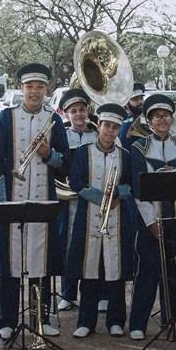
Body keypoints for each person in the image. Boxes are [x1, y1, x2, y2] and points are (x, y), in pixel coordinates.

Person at [0, 63, 70, 350]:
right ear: (21, 89)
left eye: (40, 87)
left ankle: (40, 317)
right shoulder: (7, 117)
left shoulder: (54, 120)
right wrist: (1, 201)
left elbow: (65, 163)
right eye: (29, 87)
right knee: (9, 263)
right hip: (12, 199)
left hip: (43, 199)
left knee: (41, 260)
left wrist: (49, 154)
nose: (34, 91)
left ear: (47, 89)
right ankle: (6, 322)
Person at [66, 103, 138, 337]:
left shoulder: (125, 155)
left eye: (115, 127)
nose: (110, 131)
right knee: (89, 269)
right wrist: (99, 197)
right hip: (88, 216)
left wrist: (117, 194)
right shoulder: (83, 152)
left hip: (117, 217)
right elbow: (75, 181)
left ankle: (116, 321)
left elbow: (131, 184)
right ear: (98, 126)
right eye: (107, 126)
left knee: (115, 270)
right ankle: (85, 321)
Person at [128, 94, 176, 341]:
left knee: (173, 273)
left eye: (165, 116)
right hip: (149, 221)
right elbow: (138, 189)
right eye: (156, 117)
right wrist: (151, 222)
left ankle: (170, 317)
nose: (161, 120)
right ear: (149, 121)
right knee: (147, 271)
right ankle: (138, 324)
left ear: (171, 119)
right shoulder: (139, 148)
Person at [57, 88, 96, 313]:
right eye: (73, 111)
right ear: (66, 113)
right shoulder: (62, 135)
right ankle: (68, 293)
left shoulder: (97, 133)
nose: (79, 114)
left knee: (94, 243)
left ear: (87, 110)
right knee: (69, 244)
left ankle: (97, 294)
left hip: (93, 198)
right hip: (69, 199)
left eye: (82, 109)